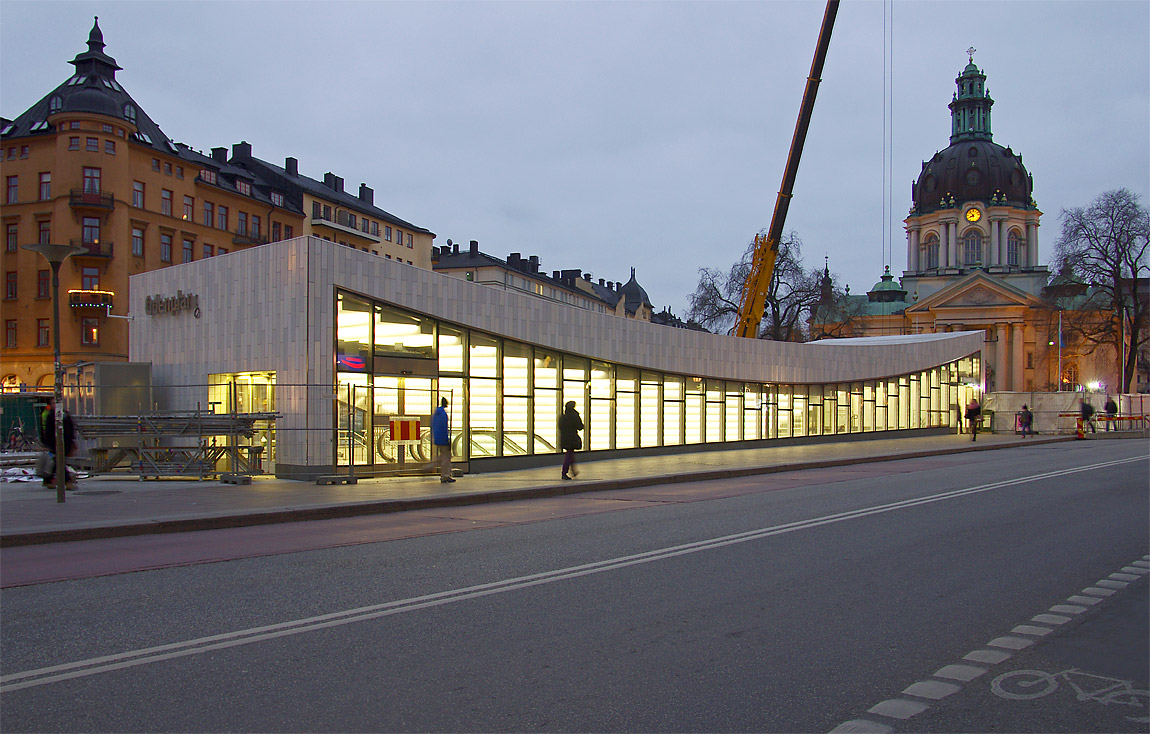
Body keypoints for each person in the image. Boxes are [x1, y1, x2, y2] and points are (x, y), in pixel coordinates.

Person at [39, 397, 76, 490]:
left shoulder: (65, 414)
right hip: (55, 443)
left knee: (58, 462)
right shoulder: (51, 416)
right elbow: (48, 431)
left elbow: (70, 429)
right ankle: (67, 481)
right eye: (52, 403)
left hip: (65, 442)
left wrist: (72, 442)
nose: (54, 405)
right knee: (60, 462)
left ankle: (48, 480)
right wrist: (47, 443)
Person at [431, 397, 455, 483]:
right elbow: (444, 428)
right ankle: (445, 476)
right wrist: (447, 440)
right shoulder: (443, 414)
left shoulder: (436, 413)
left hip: (437, 438)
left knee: (442, 456)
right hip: (443, 439)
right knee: (446, 458)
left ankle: (430, 467)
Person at [558, 400, 583, 480]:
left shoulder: (563, 416)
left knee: (570, 453)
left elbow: (560, 427)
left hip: (564, 438)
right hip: (572, 437)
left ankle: (573, 470)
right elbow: (580, 427)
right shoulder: (574, 415)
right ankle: (564, 472)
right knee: (569, 454)